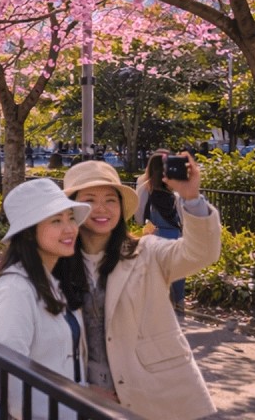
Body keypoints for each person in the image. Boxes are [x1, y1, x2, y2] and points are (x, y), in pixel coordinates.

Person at [62, 158, 220, 419]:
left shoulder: (146, 252)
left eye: (111, 200)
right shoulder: (59, 262)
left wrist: (191, 199)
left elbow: (200, 252)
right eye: (89, 199)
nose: (102, 208)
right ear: (72, 208)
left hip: (157, 395)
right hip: (89, 398)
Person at [0, 178, 90, 420]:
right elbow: (9, 377)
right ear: (29, 233)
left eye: (70, 217)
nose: (69, 228)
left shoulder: (52, 280)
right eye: (56, 220)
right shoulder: (15, 289)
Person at [134, 152, 186, 312]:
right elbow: (183, 216)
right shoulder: (174, 191)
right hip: (175, 235)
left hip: (155, 235)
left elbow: (139, 215)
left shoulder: (146, 188)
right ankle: (179, 301)